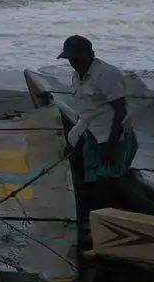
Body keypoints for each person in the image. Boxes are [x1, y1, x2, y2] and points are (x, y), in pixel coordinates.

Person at [57, 34, 138, 211]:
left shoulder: (106, 74)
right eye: (70, 59)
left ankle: (108, 219)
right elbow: (84, 112)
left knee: (106, 183)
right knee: (90, 182)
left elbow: (121, 112)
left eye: (76, 58)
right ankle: (93, 217)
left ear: (90, 54)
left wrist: (111, 145)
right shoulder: (77, 77)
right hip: (92, 137)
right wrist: (72, 141)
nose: (73, 62)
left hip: (114, 137)